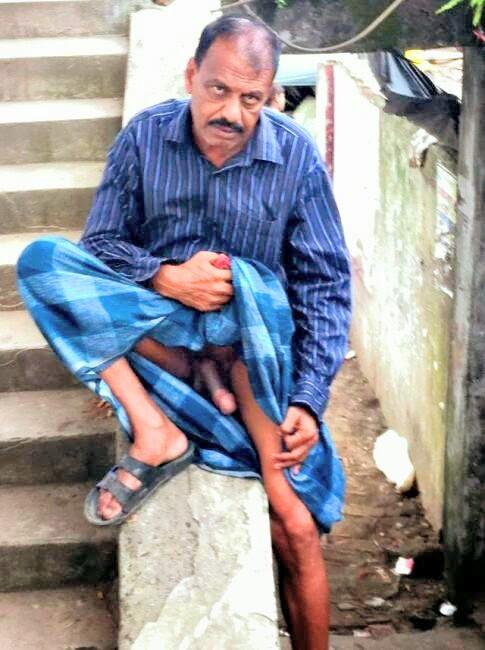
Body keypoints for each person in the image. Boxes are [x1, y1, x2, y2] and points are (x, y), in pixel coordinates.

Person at [17, 15, 351, 650]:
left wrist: (310, 398)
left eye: (251, 98)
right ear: (192, 74)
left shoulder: (296, 157)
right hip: (163, 336)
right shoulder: (144, 138)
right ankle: (156, 428)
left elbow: (324, 285)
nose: (232, 113)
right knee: (42, 263)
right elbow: (102, 245)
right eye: (219, 90)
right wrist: (165, 277)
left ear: (272, 96)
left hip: (250, 351)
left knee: (293, 523)